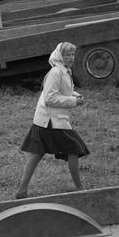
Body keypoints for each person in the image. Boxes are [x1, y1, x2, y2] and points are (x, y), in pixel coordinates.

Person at [15, 42, 89, 197]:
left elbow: (63, 91)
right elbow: (50, 98)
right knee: (74, 148)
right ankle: (80, 190)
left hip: (50, 119)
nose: (71, 58)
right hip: (50, 121)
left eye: (72, 55)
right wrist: (73, 101)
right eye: (67, 55)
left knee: (37, 153)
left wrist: (74, 95)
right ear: (60, 56)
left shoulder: (65, 71)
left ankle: (22, 191)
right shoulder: (56, 72)